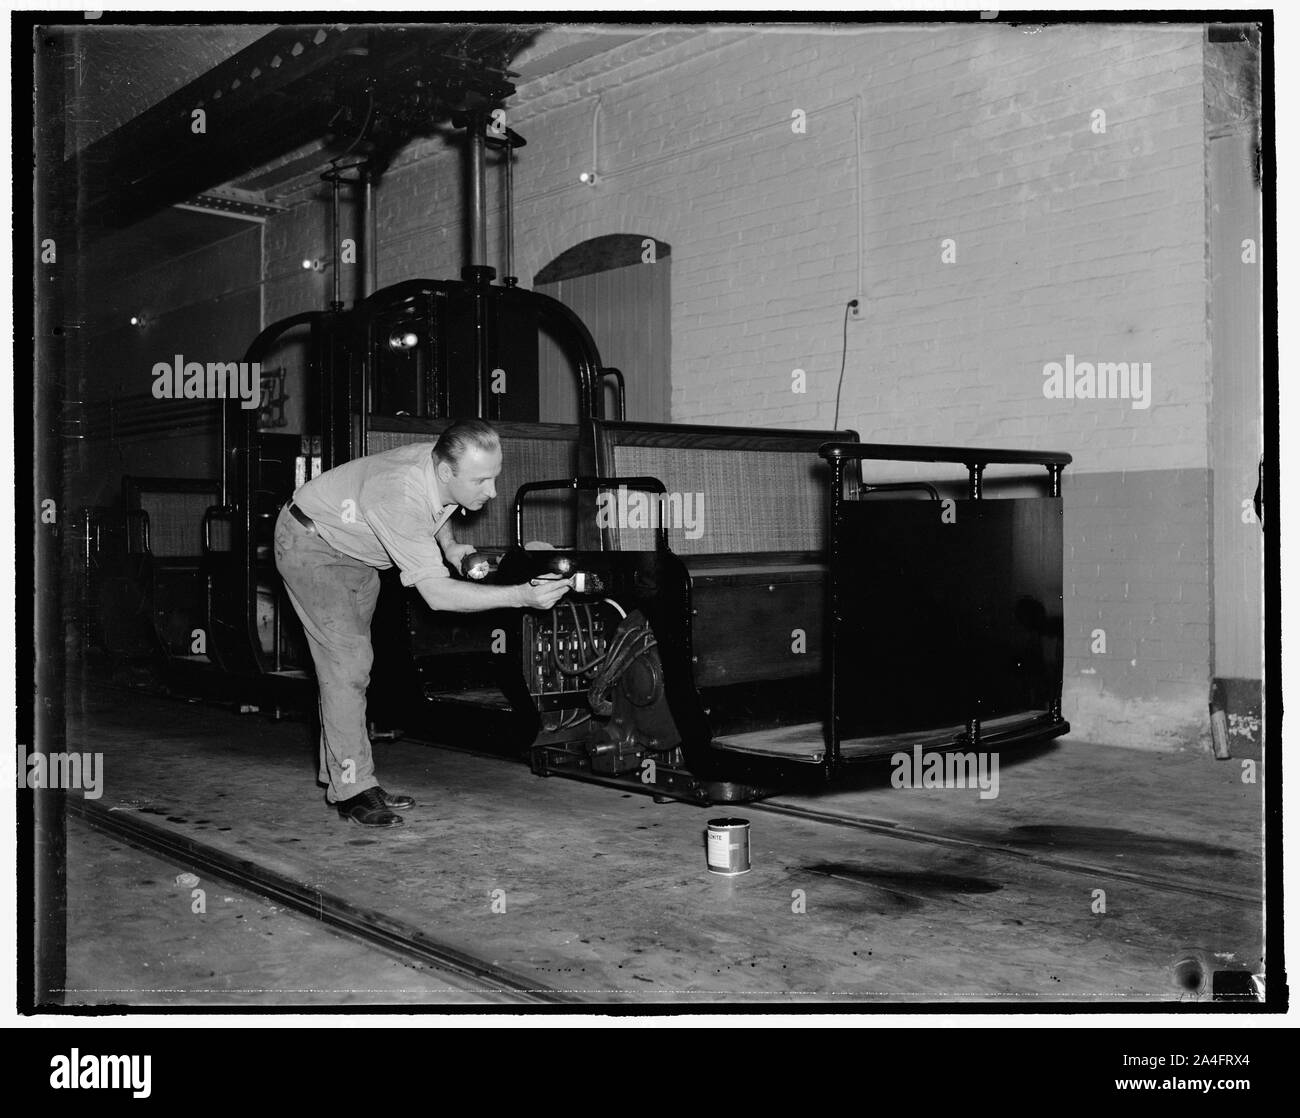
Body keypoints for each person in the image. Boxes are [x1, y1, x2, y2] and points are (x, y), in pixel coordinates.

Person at [274, 419, 571, 827]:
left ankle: (344, 773)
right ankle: (353, 790)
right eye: (482, 481)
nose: (493, 491)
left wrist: (449, 546)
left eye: (495, 477)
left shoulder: (440, 461)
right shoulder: (397, 492)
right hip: (313, 546)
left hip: (358, 555)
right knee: (347, 666)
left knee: (350, 669)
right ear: (448, 471)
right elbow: (437, 594)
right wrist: (521, 596)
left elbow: (436, 506)